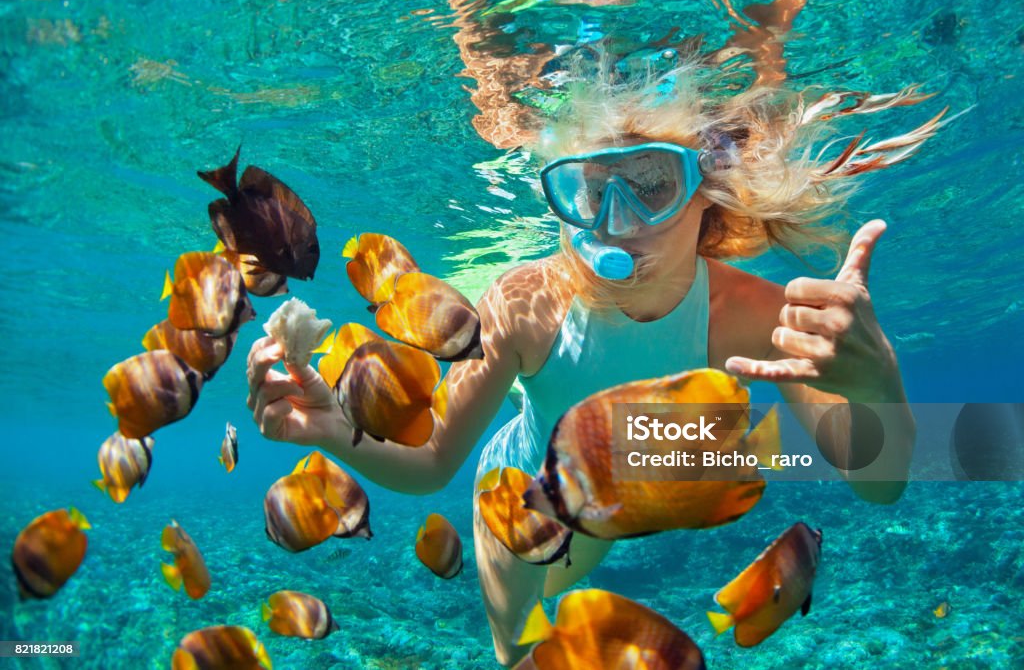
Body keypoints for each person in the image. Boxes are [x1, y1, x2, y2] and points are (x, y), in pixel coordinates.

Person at [246, 51, 946, 665]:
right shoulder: (527, 305)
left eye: (650, 184)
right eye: (589, 189)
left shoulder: (751, 315)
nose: (617, 223)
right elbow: (432, 460)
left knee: (569, 587)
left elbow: (879, 483)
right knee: (521, 652)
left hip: (611, 499)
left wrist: (876, 378)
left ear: (708, 192)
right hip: (513, 494)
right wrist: (332, 432)